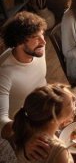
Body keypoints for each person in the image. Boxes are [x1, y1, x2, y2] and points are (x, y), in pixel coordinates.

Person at [0, 11, 47, 140]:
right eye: (36, 37)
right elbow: (1, 120)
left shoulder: (37, 51)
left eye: (42, 35)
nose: (43, 42)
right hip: (24, 128)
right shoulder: (4, 72)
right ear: (19, 42)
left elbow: (40, 80)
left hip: (46, 109)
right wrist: (26, 133)